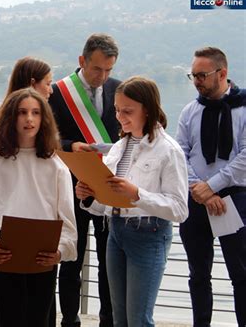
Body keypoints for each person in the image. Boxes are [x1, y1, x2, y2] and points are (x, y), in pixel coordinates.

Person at [76, 76, 188, 326]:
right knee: (120, 318)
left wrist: (137, 194)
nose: (120, 116)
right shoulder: (118, 147)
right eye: (117, 110)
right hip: (115, 232)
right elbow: (108, 203)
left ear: (147, 109)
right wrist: (89, 197)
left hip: (149, 235)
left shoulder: (169, 150)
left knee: (138, 320)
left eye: (127, 111)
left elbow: (180, 210)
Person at [0, 88, 78, 327]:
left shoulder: (56, 167)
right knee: (8, 320)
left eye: (36, 112)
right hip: (4, 252)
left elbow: (68, 224)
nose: (29, 119)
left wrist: (60, 251)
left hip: (43, 255)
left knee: (39, 320)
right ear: (11, 118)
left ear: (44, 118)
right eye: (22, 112)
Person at [48, 33, 120, 327]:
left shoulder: (120, 89)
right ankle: (69, 321)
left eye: (108, 70)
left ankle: (108, 320)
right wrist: (69, 145)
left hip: (107, 188)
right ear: (82, 61)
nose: (102, 77)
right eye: (97, 69)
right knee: (70, 262)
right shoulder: (58, 92)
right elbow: (47, 138)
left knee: (109, 264)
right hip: (70, 188)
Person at [176, 47, 246, 327]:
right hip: (196, 199)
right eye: (193, 75)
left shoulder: (243, 108)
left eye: (202, 75)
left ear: (223, 73)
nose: (197, 81)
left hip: (236, 198)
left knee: (241, 274)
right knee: (198, 274)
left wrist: (213, 186)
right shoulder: (190, 111)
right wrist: (201, 191)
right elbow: (180, 153)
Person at [0, 56, 55, 327]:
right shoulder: (0, 159)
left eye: (35, 114)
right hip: (7, 230)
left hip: (38, 237)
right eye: (48, 83)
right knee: (8, 308)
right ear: (32, 83)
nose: (51, 89)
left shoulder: (52, 164)